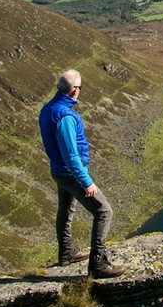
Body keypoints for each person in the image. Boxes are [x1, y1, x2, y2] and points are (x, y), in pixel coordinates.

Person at [39, 69, 126, 278]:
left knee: (66, 209)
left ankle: (67, 251)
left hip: (59, 171)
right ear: (75, 90)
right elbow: (71, 155)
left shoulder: (49, 108)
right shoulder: (65, 117)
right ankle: (98, 263)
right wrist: (86, 182)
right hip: (70, 173)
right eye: (80, 87)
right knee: (104, 211)